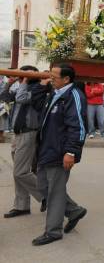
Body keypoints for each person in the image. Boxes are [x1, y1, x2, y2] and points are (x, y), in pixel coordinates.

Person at [32, 64, 88, 246]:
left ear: (66, 79)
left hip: (60, 151)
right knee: (42, 187)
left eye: (54, 76)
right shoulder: (54, 92)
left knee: (55, 192)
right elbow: (38, 106)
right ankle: (73, 210)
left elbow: (78, 127)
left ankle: (53, 231)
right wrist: (41, 87)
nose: (50, 78)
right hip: (45, 149)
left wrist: (70, 152)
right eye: (50, 74)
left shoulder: (73, 96)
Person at [1, 66, 48, 219]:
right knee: (19, 173)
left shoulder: (38, 89)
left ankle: (47, 195)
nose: (20, 78)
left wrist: (24, 81)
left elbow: (21, 98)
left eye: (23, 75)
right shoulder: (24, 87)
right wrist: (9, 83)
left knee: (20, 172)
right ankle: (21, 206)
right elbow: (4, 96)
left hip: (28, 132)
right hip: (18, 134)